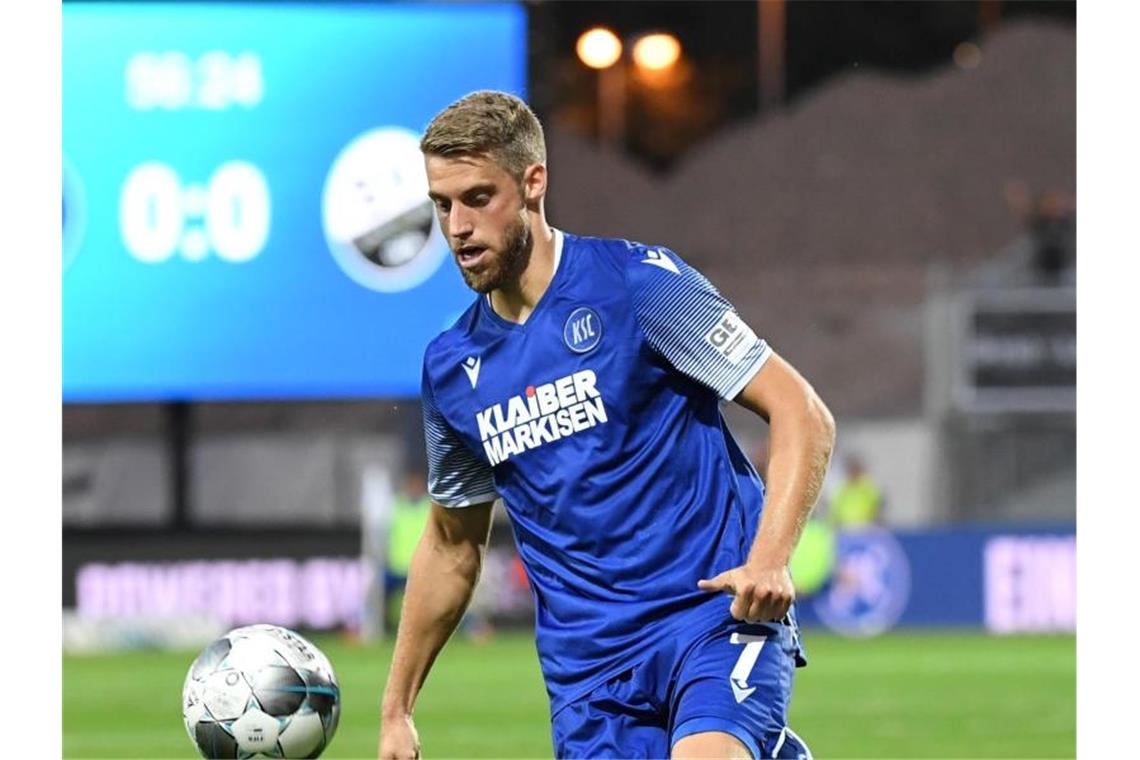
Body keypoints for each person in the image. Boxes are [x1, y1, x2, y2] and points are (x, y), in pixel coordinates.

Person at [378, 91, 835, 760]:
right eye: (442, 204)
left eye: (478, 197)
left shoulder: (638, 286)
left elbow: (801, 411)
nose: (458, 227)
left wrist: (769, 559)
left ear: (534, 182)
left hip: (710, 616)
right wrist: (397, 709)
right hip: (589, 675)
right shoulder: (453, 369)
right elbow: (452, 544)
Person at [828, 454, 883, 530]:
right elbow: (835, 510)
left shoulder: (869, 487)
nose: (853, 474)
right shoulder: (842, 489)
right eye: (851, 471)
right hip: (845, 528)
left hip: (866, 527)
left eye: (856, 470)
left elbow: (878, 507)